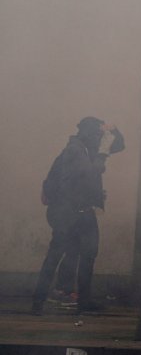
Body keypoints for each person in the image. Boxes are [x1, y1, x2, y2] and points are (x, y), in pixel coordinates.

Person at [32, 116, 125, 314]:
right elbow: (91, 172)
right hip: (69, 213)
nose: (101, 139)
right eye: (99, 134)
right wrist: (102, 153)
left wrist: (113, 130)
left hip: (80, 211)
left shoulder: (85, 148)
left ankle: (81, 301)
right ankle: (39, 302)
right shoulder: (75, 151)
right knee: (57, 255)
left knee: (86, 255)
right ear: (89, 134)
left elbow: (118, 146)